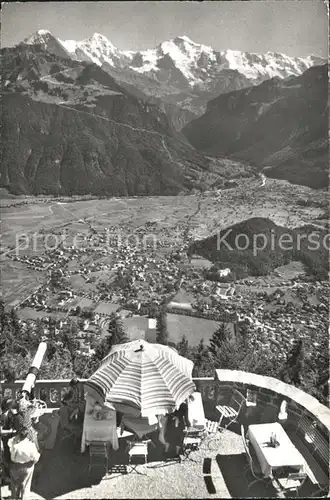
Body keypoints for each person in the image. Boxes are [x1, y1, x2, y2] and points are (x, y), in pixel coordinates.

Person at [8, 428, 40, 500]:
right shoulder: (31, 445)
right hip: (27, 467)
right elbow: (36, 457)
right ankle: (23, 498)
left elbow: (10, 444)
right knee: (25, 485)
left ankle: (14, 498)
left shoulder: (14, 444)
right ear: (27, 435)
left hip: (15, 466)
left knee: (14, 486)